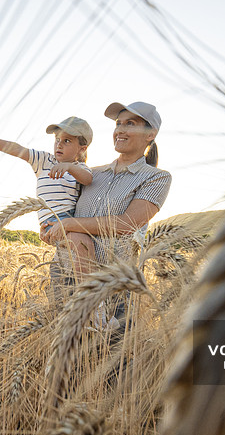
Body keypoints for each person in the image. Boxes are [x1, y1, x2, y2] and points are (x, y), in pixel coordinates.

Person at [41, 102, 172, 328]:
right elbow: (62, 204)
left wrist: (68, 224)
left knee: (108, 356)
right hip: (65, 274)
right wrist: (50, 224)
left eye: (130, 124)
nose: (120, 130)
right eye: (118, 124)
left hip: (113, 283)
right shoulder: (91, 174)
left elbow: (125, 225)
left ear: (151, 134)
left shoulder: (156, 178)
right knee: (64, 354)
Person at [0, 117, 96, 279]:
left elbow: (88, 179)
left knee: (84, 244)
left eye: (67, 141)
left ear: (82, 148)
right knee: (81, 242)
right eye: (57, 139)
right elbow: (16, 149)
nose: (59, 144)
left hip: (70, 220)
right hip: (52, 222)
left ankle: (87, 287)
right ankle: (85, 288)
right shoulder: (44, 161)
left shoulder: (80, 168)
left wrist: (69, 167)